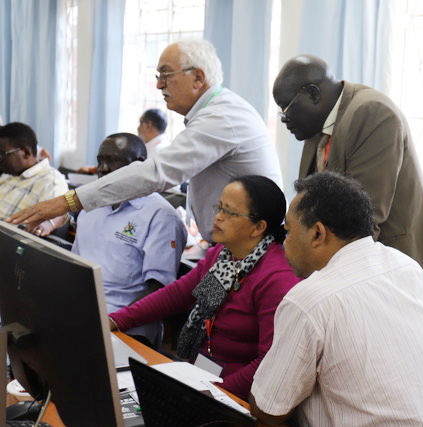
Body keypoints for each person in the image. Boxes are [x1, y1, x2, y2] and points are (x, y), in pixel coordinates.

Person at [249, 171, 423, 426]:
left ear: (317, 234)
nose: (285, 242)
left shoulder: (309, 300)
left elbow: (269, 409)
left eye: (288, 231)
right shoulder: (407, 267)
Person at [9, 39, 282, 246]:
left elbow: (156, 172)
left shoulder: (222, 116)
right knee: (201, 318)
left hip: (250, 250)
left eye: (166, 76)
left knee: (214, 320)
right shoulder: (215, 112)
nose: (159, 86)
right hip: (228, 249)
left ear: (198, 77)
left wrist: (68, 201)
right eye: (157, 77)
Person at [272, 54, 423, 307]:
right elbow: (313, 206)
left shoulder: (372, 113)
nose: (284, 119)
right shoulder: (316, 122)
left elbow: (364, 220)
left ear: (313, 94)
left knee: (396, 345)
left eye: (286, 109)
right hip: (368, 266)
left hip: (410, 260)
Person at [108, 176, 300, 400]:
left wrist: (213, 394)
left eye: (229, 212)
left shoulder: (275, 278)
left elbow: (269, 362)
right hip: (199, 373)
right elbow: (177, 295)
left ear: (258, 227)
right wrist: (117, 320)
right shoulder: (224, 256)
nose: (218, 216)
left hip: (236, 393)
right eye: (219, 207)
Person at [72, 133, 187, 346]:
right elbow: (75, 269)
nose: (102, 168)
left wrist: (111, 322)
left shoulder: (160, 216)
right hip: (82, 314)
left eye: (112, 160)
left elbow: (159, 290)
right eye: (100, 161)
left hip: (126, 325)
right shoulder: (91, 207)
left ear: (140, 166)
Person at [0, 122, 68, 233]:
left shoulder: (51, 181)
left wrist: (49, 223)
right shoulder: (9, 174)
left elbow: (60, 212)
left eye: (1, 154)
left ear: (26, 153)